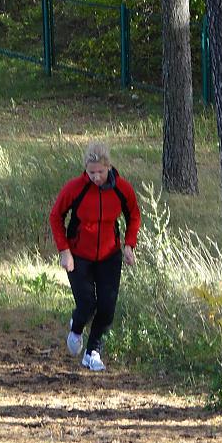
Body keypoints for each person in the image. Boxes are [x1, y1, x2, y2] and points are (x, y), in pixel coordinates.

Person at [49, 141, 141, 372]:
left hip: (110, 255)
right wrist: (64, 251)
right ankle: (77, 327)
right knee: (87, 304)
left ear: (108, 167)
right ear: (85, 169)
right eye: (91, 172)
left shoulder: (122, 188)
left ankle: (92, 353)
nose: (96, 177)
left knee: (107, 307)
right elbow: (55, 217)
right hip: (78, 255)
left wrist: (129, 244)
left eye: (100, 171)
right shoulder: (75, 188)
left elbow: (134, 216)